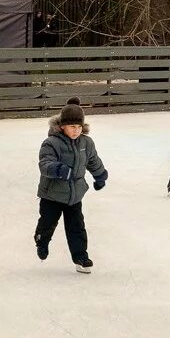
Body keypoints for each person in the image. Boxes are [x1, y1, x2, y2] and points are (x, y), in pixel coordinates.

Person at [34, 97, 108, 274]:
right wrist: (58, 169)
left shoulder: (86, 143)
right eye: (72, 127)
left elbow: (93, 161)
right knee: (48, 223)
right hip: (52, 194)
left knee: (77, 227)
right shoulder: (51, 143)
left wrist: (100, 176)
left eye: (79, 127)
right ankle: (42, 240)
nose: (76, 131)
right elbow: (45, 163)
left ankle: (81, 257)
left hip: (75, 195)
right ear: (62, 126)